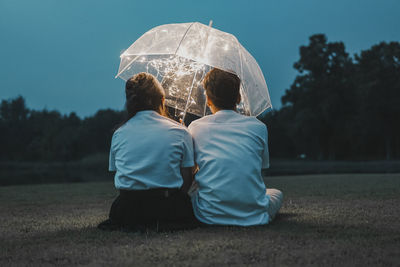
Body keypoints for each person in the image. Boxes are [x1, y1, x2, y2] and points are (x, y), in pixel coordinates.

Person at [98, 72, 196, 231]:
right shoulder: (180, 132)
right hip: (168, 209)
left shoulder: (119, 133)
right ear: (162, 101)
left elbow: (120, 174)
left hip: (127, 211)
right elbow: (187, 179)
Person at [188, 68, 283, 226]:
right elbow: (262, 166)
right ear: (239, 97)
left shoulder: (195, 127)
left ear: (208, 99)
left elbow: (191, 169)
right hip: (254, 216)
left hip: (207, 215)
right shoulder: (258, 126)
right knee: (275, 193)